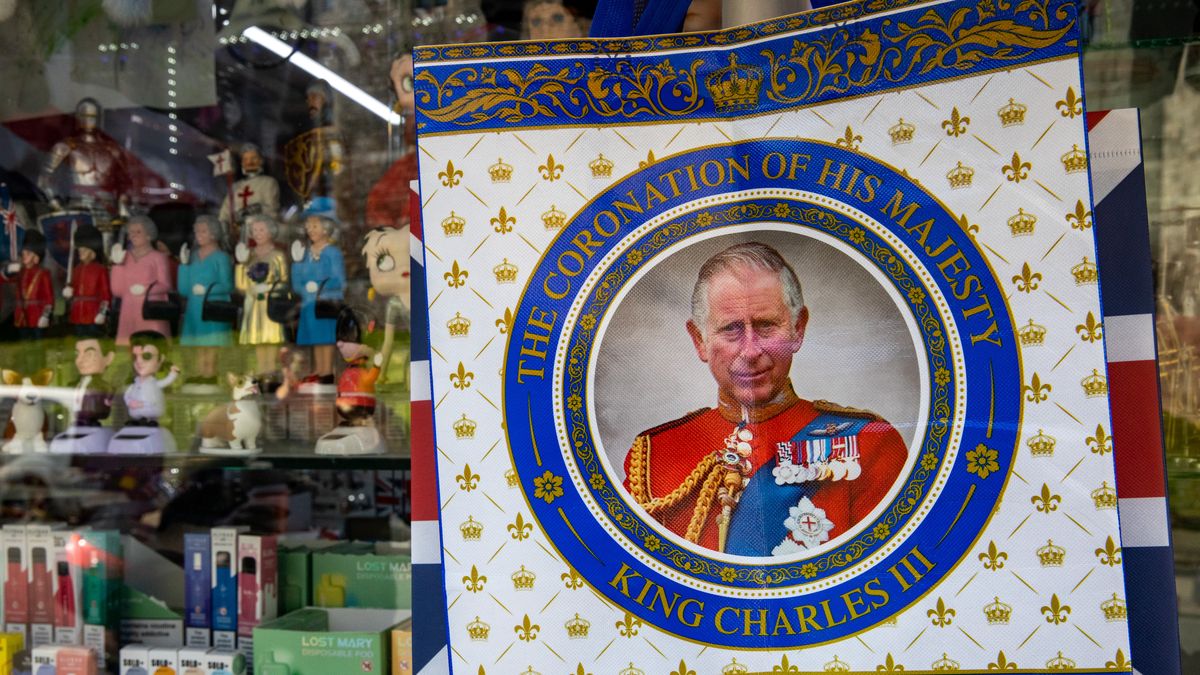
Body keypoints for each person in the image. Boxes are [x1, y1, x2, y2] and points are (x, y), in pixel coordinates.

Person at [622, 242, 907, 557]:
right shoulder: (654, 458)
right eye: (731, 329)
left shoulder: (868, 445)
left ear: (798, 329)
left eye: (766, 326)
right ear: (700, 340)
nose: (751, 351)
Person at [178, 215, 235, 384]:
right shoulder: (193, 257)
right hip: (195, 310)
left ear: (214, 233)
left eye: (203, 231)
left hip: (212, 309)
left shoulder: (221, 258)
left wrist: (208, 291)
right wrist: (183, 266)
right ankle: (201, 375)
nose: (198, 235)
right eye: (197, 231)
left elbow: (228, 286)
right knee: (198, 347)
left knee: (211, 346)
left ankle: (210, 376)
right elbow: (183, 289)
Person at [291, 214, 345, 385]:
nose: (310, 230)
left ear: (325, 229)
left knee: (326, 338)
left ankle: (327, 372)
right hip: (309, 303)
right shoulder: (305, 254)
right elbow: (297, 282)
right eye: (308, 227)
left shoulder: (332, 253)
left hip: (326, 303)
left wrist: (320, 285)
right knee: (315, 338)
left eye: (314, 226)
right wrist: (296, 262)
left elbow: (339, 280)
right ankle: (319, 371)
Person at [110, 215, 174, 344]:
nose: (133, 235)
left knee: (152, 348)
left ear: (149, 235)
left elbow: (166, 285)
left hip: (149, 311)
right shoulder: (124, 257)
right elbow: (117, 290)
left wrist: (146, 289)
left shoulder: (159, 257)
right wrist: (117, 265)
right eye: (131, 232)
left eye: (138, 232)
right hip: (128, 311)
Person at [63, 224, 111, 336]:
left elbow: (106, 295)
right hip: (78, 313)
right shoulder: (77, 269)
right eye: (80, 250)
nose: (80, 252)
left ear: (92, 252)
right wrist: (69, 291)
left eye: (84, 250)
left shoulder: (100, 270)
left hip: (93, 313)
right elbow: (75, 289)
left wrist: (103, 312)